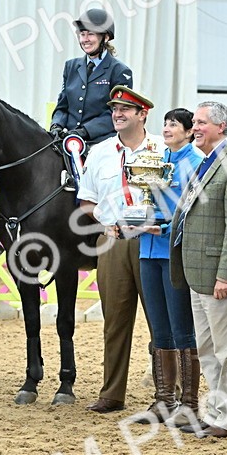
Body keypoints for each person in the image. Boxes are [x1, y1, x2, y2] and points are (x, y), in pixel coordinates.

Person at [171, 101, 227, 439]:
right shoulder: (208, 162)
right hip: (197, 272)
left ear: (221, 127)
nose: (195, 128)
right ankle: (216, 412)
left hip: (218, 276)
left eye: (201, 123)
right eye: (194, 122)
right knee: (208, 350)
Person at [77, 86, 160, 414]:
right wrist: (105, 221)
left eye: (126, 109)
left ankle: (168, 393)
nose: (118, 114)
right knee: (114, 320)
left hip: (151, 241)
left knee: (160, 321)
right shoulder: (100, 152)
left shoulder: (161, 150)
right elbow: (86, 201)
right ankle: (112, 392)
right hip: (111, 241)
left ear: (143, 114)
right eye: (114, 109)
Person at [131, 108, 204, 423]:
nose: (167, 128)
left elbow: (194, 213)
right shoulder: (157, 160)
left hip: (174, 253)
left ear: (189, 132)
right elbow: (143, 200)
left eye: (174, 124)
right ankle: (164, 400)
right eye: (165, 123)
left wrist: (162, 226)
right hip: (148, 251)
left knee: (182, 329)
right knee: (159, 328)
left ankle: (190, 403)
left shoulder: (196, 164)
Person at [49, 8, 133, 146]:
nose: (85, 39)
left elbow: (117, 113)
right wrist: (56, 125)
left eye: (91, 34)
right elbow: (63, 106)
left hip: (101, 142)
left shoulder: (120, 71)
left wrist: (84, 131)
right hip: (68, 141)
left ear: (105, 37)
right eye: (82, 34)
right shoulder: (71, 66)